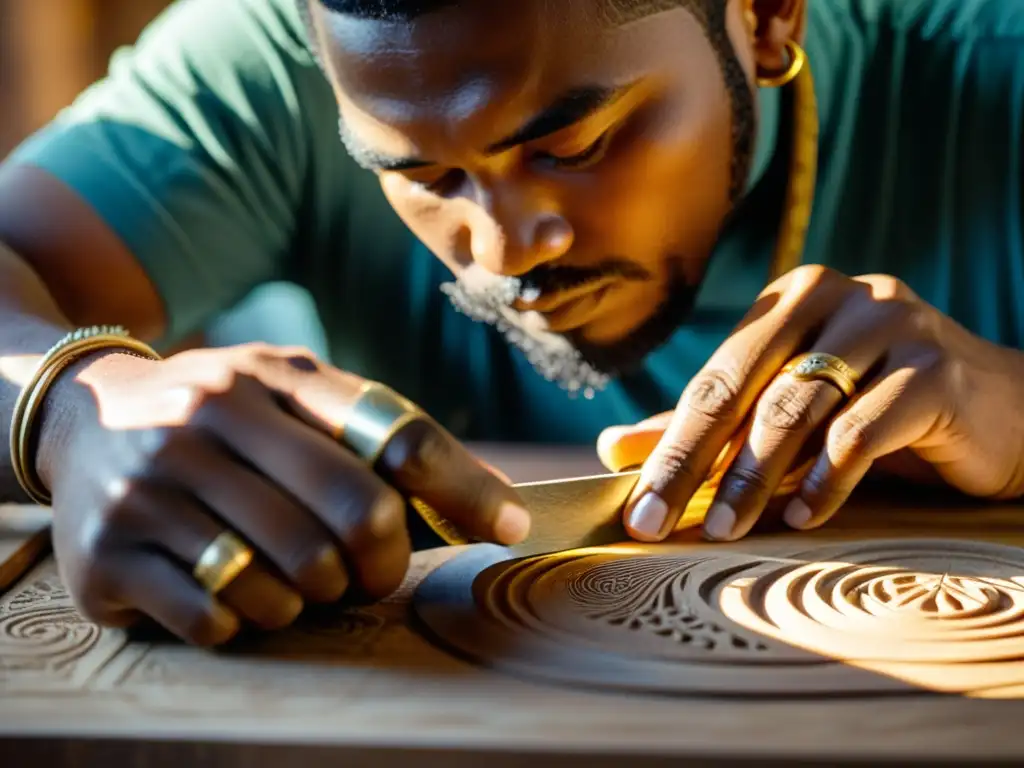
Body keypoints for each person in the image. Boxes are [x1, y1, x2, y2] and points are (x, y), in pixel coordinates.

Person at [1, 0, 1023, 646]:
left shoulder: (996, 62)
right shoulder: (284, 50)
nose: (500, 253)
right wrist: (72, 402)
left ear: (763, 18)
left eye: (574, 145)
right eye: (423, 176)